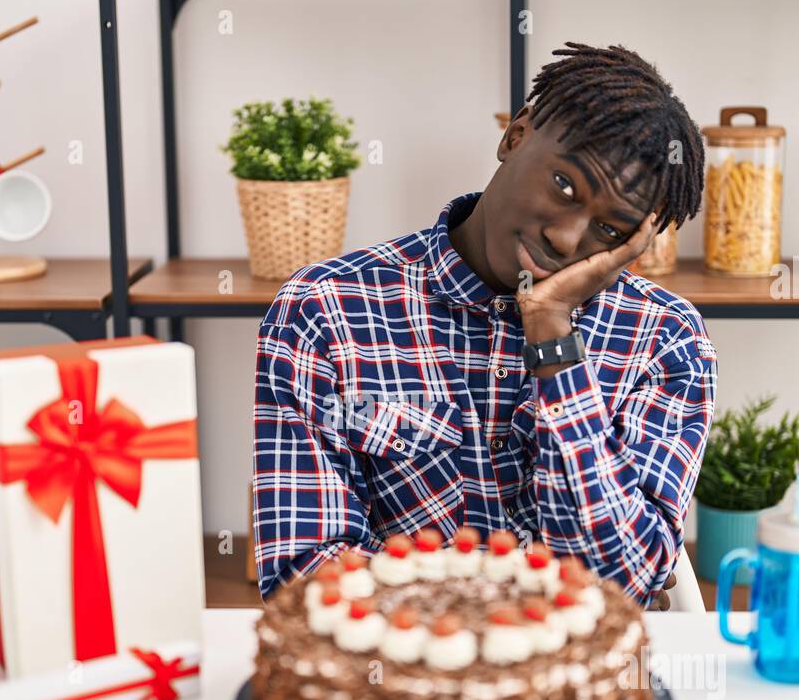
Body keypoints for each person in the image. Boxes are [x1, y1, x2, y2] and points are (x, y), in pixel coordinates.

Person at [252, 42, 716, 611]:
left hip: (580, 691)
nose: (568, 240)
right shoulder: (324, 310)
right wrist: (501, 611)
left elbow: (620, 581)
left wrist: (552, 336)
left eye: (611, 232)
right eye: (565, 186)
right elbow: (305, 578)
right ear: (515, 137)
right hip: (399, 689)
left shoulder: (665, 337)